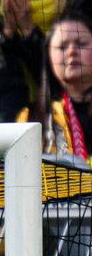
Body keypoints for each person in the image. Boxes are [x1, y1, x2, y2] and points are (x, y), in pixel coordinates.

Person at [21, 10, 92, 160]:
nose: (72, 51)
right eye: (62, 47)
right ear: (49, 57)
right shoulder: (31, 118)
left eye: (81, 44)